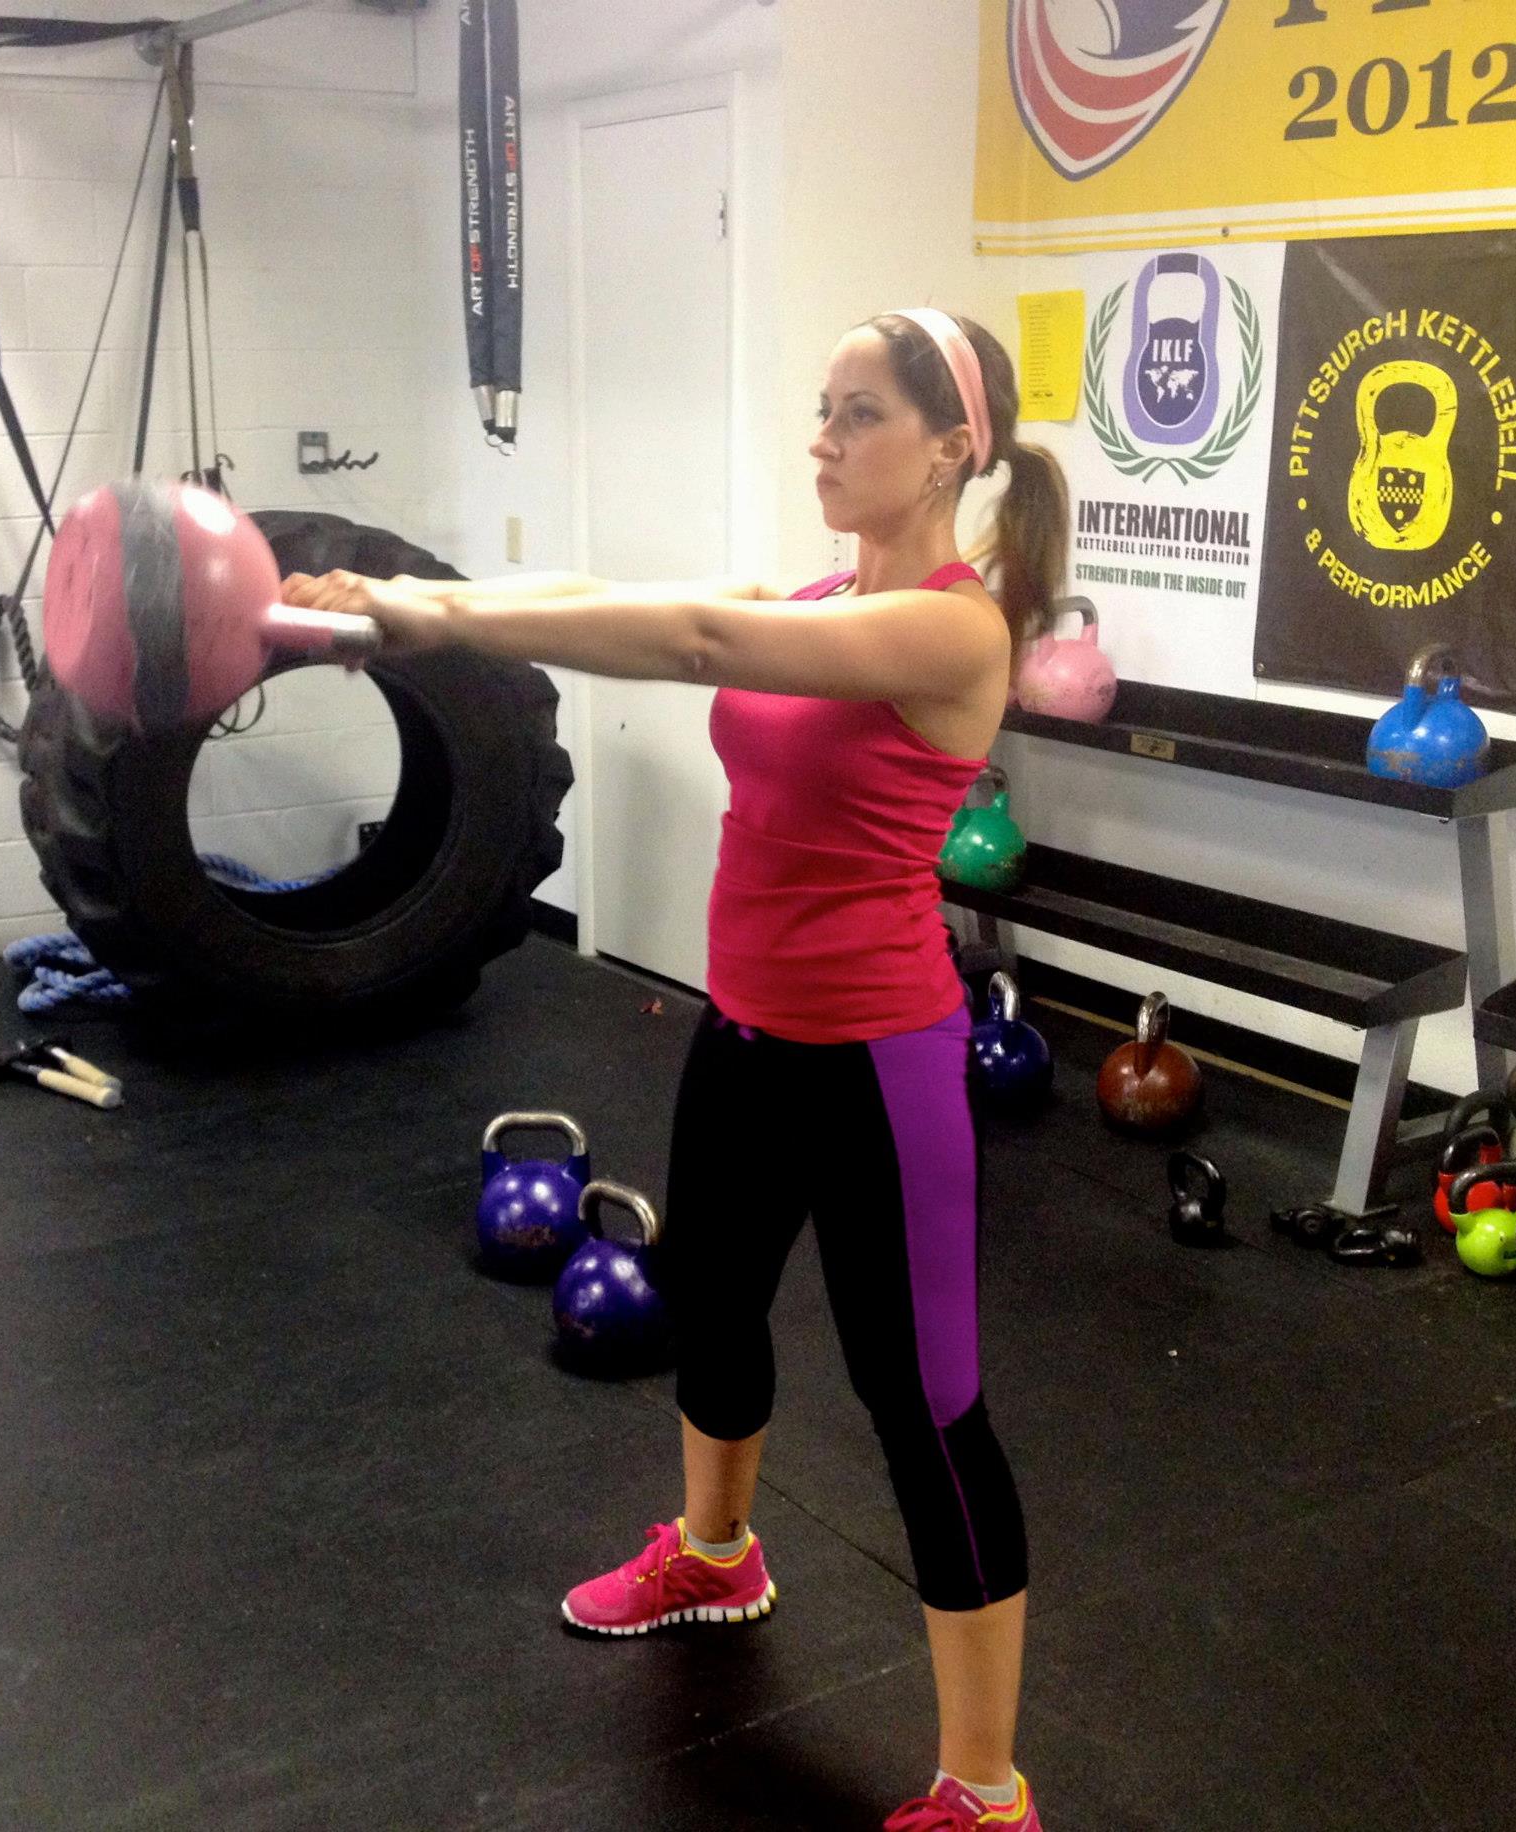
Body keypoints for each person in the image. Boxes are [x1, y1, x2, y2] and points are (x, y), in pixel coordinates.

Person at [283, 308, 1068, 1831]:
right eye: (822, 407)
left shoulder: (955, 630)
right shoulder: (824, 589)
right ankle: (717, 1557)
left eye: (859, 414)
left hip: (879, 1063)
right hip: (749, 1030)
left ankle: (986, 1788)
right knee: (712, 1304)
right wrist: (411, 596)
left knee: (924, 1403)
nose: (823, 437)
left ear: (949, 450)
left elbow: (698, 644)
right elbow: (614, 595)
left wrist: (436, 629)